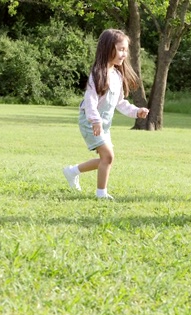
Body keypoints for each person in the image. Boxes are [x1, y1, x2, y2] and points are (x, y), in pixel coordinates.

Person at [63, 29, 149, 200]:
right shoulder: (97, 74)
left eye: (126, 50)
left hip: (103, 123)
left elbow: (120, 103)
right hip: (90, 120)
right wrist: (95, 121)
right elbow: (90, 101)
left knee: (106, 159)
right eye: (120, 49)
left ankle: (72, 171)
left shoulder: (117, 75)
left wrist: (136, 112)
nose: (124, 54)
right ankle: (101, 194)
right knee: (108, 156)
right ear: (107, 48)